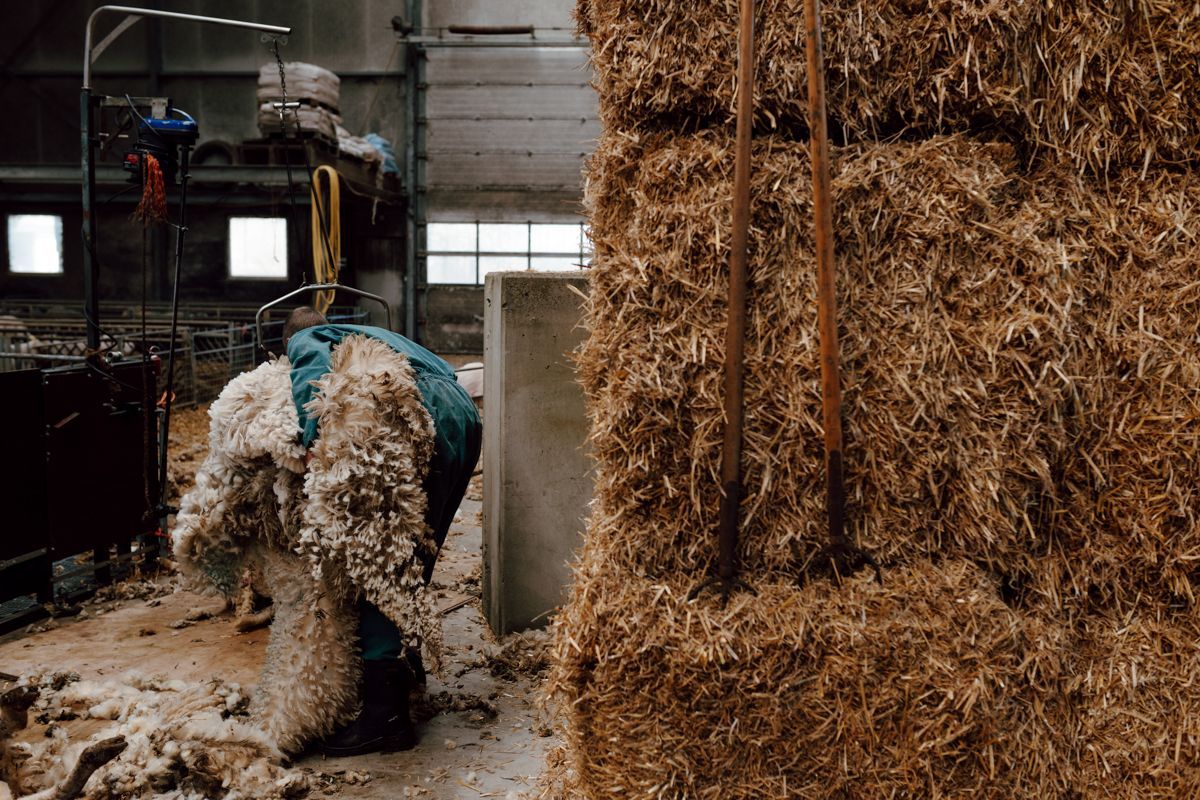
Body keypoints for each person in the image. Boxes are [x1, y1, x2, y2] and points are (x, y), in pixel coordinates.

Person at [282, 306, 482, 756]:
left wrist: (314, 441)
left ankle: (384, 717)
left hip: (413, 413)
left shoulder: (309, 337)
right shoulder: (371, 333)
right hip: (461, 413)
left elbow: (311, 373)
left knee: (378, 562)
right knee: (412, 553)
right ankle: (405, 665)